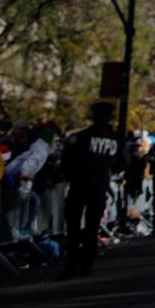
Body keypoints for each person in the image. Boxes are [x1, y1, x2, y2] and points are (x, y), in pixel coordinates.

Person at [58, 100, 121, 279]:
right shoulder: (115, 140)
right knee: (92, 228)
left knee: (73, 228)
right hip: (99, 187)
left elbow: (67, 160)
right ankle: (87, 266)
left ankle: (71, 266)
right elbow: (120, 164)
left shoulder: (81, 137)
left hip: (79, 186)